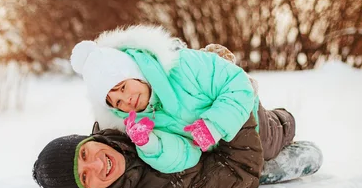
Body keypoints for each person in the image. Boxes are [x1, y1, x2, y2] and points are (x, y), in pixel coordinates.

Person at [69, 25, 295, 174]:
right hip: (215, 151)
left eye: (122, 87)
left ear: (136, 72)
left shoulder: (183, 65)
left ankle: (284, 120)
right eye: (116, 102)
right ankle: (218, 63)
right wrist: (150, 145)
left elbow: (238, 86)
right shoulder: (140, 123)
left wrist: (212, 126)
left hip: (247, 119)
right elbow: (185, 154)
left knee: (273, 137)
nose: (126, 100)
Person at [32, 115, 323, 188]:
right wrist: (233, 109)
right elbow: (239, 168)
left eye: (85, 153)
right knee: (299, 149)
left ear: (91, 139)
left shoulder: (121, 124)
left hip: (210, 122)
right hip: (238, 146)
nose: (97, 164)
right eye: (85, 177)